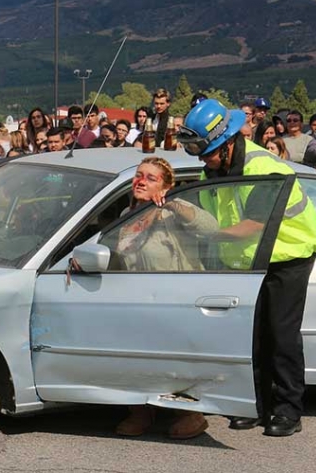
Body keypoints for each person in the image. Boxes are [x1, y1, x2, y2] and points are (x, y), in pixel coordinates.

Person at [176, 98, 316, 437]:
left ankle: (288, 410)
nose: (201, 158)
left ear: (227, 143)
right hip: (250, 260)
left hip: (289, 255)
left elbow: (252, 225)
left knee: (281, 335)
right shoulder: (212, 169)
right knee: (252, 336)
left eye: (205, 150)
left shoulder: (263, 168)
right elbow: (200, 210)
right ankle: (255, 406)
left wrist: (207, 236)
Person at [112, 157, 217, 440]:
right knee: (134, 357)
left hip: (176, 299)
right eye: (138, 174)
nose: (141, 180)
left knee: (175, 363)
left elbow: (211, 228)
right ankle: (141, 412)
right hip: (137, 299)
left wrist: (173, 202)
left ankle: (190, 414)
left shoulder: (173, 211)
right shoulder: (128, 212)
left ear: (166, 186)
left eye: (151, 177)